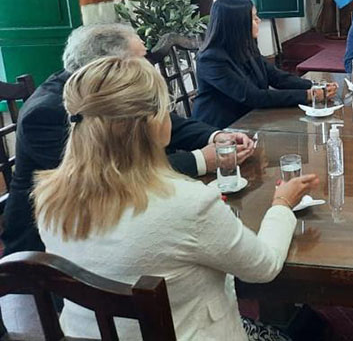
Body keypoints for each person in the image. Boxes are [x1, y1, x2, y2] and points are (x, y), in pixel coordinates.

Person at [34, 56, 316, 341]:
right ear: (152, 124)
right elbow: (263, 266)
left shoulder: (49, 197)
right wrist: (282, 204)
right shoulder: (188, 203)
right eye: (168, 108)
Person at [1, 24, 254, 255]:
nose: (149, 67)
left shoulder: (106, 91)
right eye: (141, 60)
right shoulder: (46, 114)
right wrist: (201, 160)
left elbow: (163, 122)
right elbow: (113, 175)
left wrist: (217, 136)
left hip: (117, 216)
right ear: (110, 66)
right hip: (59, 248)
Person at [193, 0, 336, 128]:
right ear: (237, 24)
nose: (259, 21)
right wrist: (307, 95)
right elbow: (253, 96)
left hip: (251, 119)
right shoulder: (211, 59)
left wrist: (316, 85)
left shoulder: (246, 46)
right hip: (221, 129)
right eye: (254, 18)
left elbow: (276, 77)